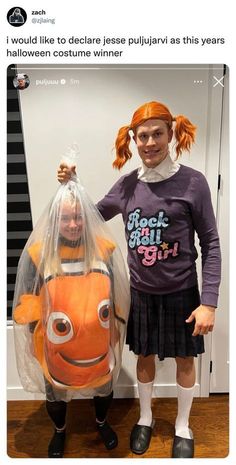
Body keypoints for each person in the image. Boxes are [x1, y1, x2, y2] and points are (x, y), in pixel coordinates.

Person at [57, 101, 221, 458]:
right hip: (142, 293)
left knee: (185, 360)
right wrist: (73, 184)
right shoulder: (128, 184)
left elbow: (210, 242)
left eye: (157, 134)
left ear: (171, 133)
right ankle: (145, 418)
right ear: (133, 140)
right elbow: (93, 216)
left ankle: (182, 425)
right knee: (143, 357)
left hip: (183, 292)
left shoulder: (194, 182)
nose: (150, 143)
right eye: (142, 136)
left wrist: (208, 302)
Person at [13, 180, 129, 458]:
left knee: (103, 386)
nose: (74, 224)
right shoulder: (39, 254)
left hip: (97, 343)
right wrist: (32, 331)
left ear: (87, 217)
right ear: (56, 219)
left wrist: (115, 325)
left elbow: (116, 292)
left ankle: (101, 422)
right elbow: (28, 296)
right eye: (66, 218)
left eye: (78, 216)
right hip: (57, 346)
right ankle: (59, 430)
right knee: (55, 392)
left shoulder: (103, 249)